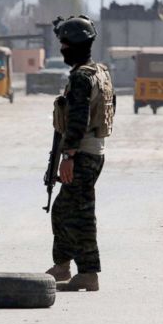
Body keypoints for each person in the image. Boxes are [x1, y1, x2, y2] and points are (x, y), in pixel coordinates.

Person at [46, 15, 115, 292]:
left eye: (64, 44)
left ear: (73, 45)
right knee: (66, 210)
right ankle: (63, 266)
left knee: (78, 212)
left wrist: (69, 156)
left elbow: (78, 118)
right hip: (93, 152)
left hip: (83, 154)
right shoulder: (99, 72)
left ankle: (87, 272)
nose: (61, 49)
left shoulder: (82, 77)